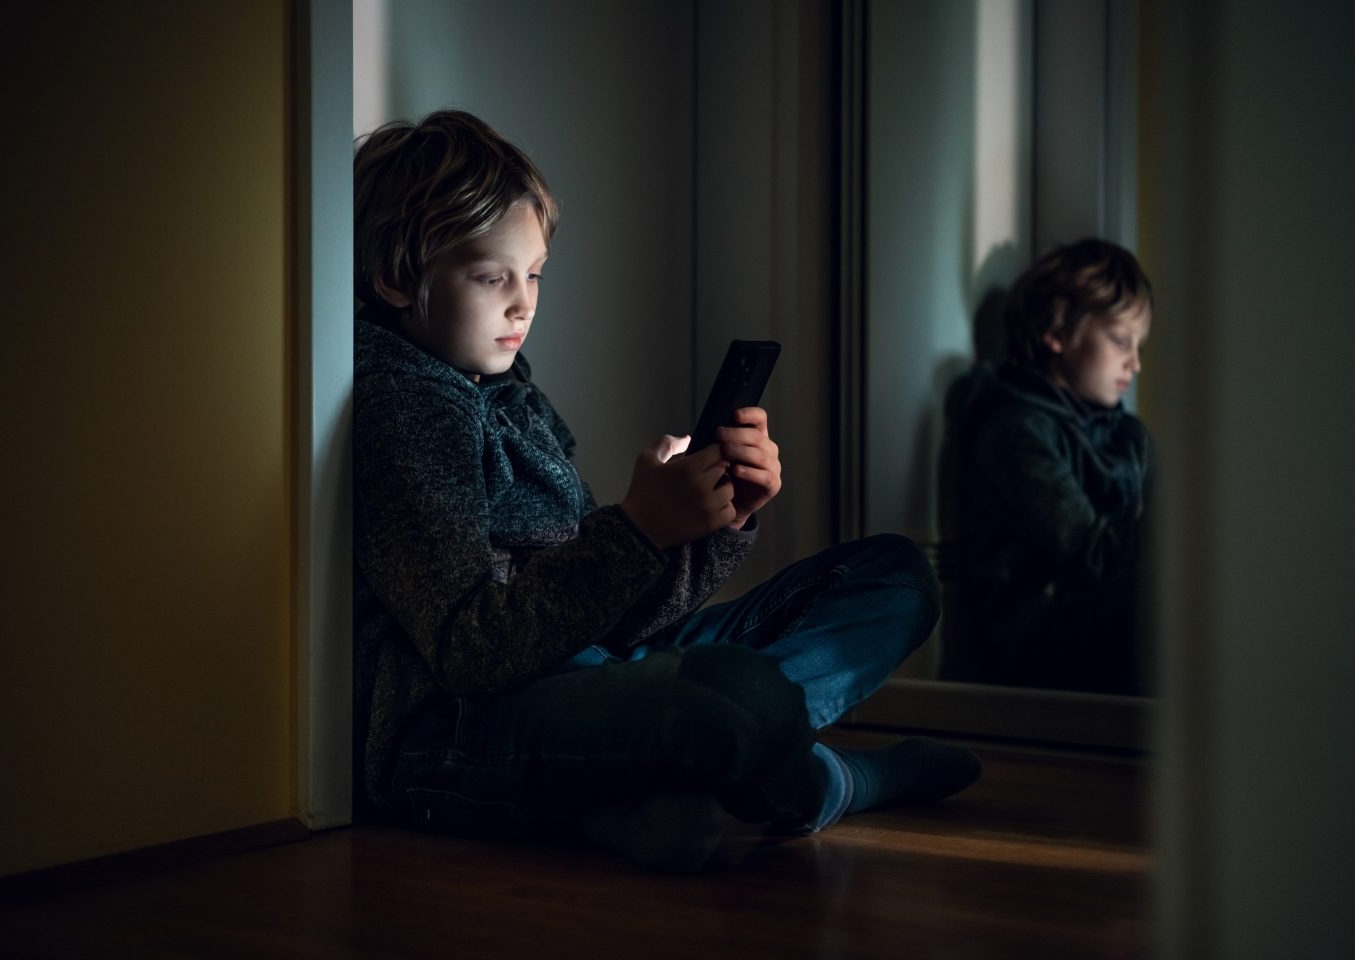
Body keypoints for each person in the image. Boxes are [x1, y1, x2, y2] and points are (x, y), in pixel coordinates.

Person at [352, 109, 981, 873]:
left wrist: (706, 528)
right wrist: (637, 532)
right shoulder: (404, 406)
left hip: (593, 670)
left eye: (536, 273)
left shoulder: (510, 393)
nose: (525, 303)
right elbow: (470, 650)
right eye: (493, 277)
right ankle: (826, 778)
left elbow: (612, 624)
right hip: (465, 725)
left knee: (893, 576)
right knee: (723, 696)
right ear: (395, 279)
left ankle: (673, 781)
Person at [943, 239, 1153, 695]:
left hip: (1105, 616)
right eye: (1121, 340)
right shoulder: (1016, 429)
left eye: (1139, 345)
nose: (1134, 363)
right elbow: (1091, 554)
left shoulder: (1129, 436)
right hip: (1038, 635)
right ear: (1056, 330)